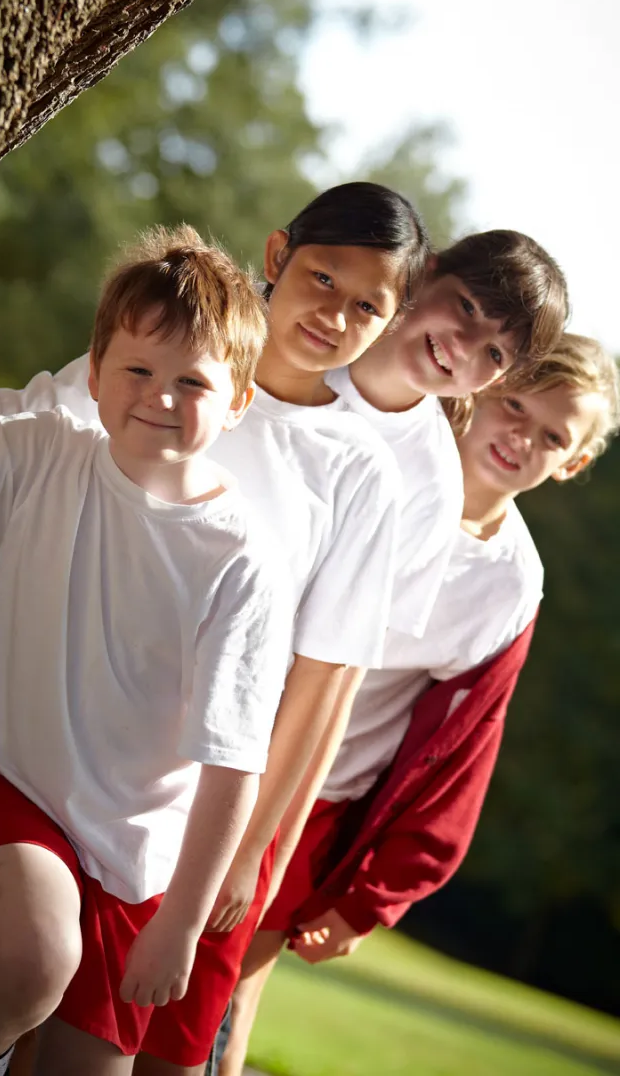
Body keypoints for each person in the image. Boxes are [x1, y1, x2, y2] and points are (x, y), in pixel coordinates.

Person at [0, 188, 569, 1071]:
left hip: (162, 785)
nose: (334, 312)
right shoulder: (179, 345)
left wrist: (251, 855)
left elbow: (324, 682)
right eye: (321, 279)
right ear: (279, 255)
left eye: (364, 302)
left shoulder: (383, 471)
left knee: (64, 1011)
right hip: (32, 719)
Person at [0, 227, 298, 1076]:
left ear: (239, 403)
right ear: (95, 373)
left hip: (129, 851)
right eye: (138, 371)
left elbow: (230, 764)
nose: (159, 395)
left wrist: (181, 922)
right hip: (4, 772)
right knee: (35, 959)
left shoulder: (241, 561)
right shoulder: (48, 454)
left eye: (193, 381)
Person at [216, 332, 619, 1076]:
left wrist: (374, 897)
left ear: (575, 461)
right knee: (124, 955)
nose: (522, 436)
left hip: (317, 800)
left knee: (228, 1007)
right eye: (514, 405)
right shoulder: (382, 463)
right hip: (213, 737)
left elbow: (464, 748)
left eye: (553, 435)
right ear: (481, 392)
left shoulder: (510, 585)